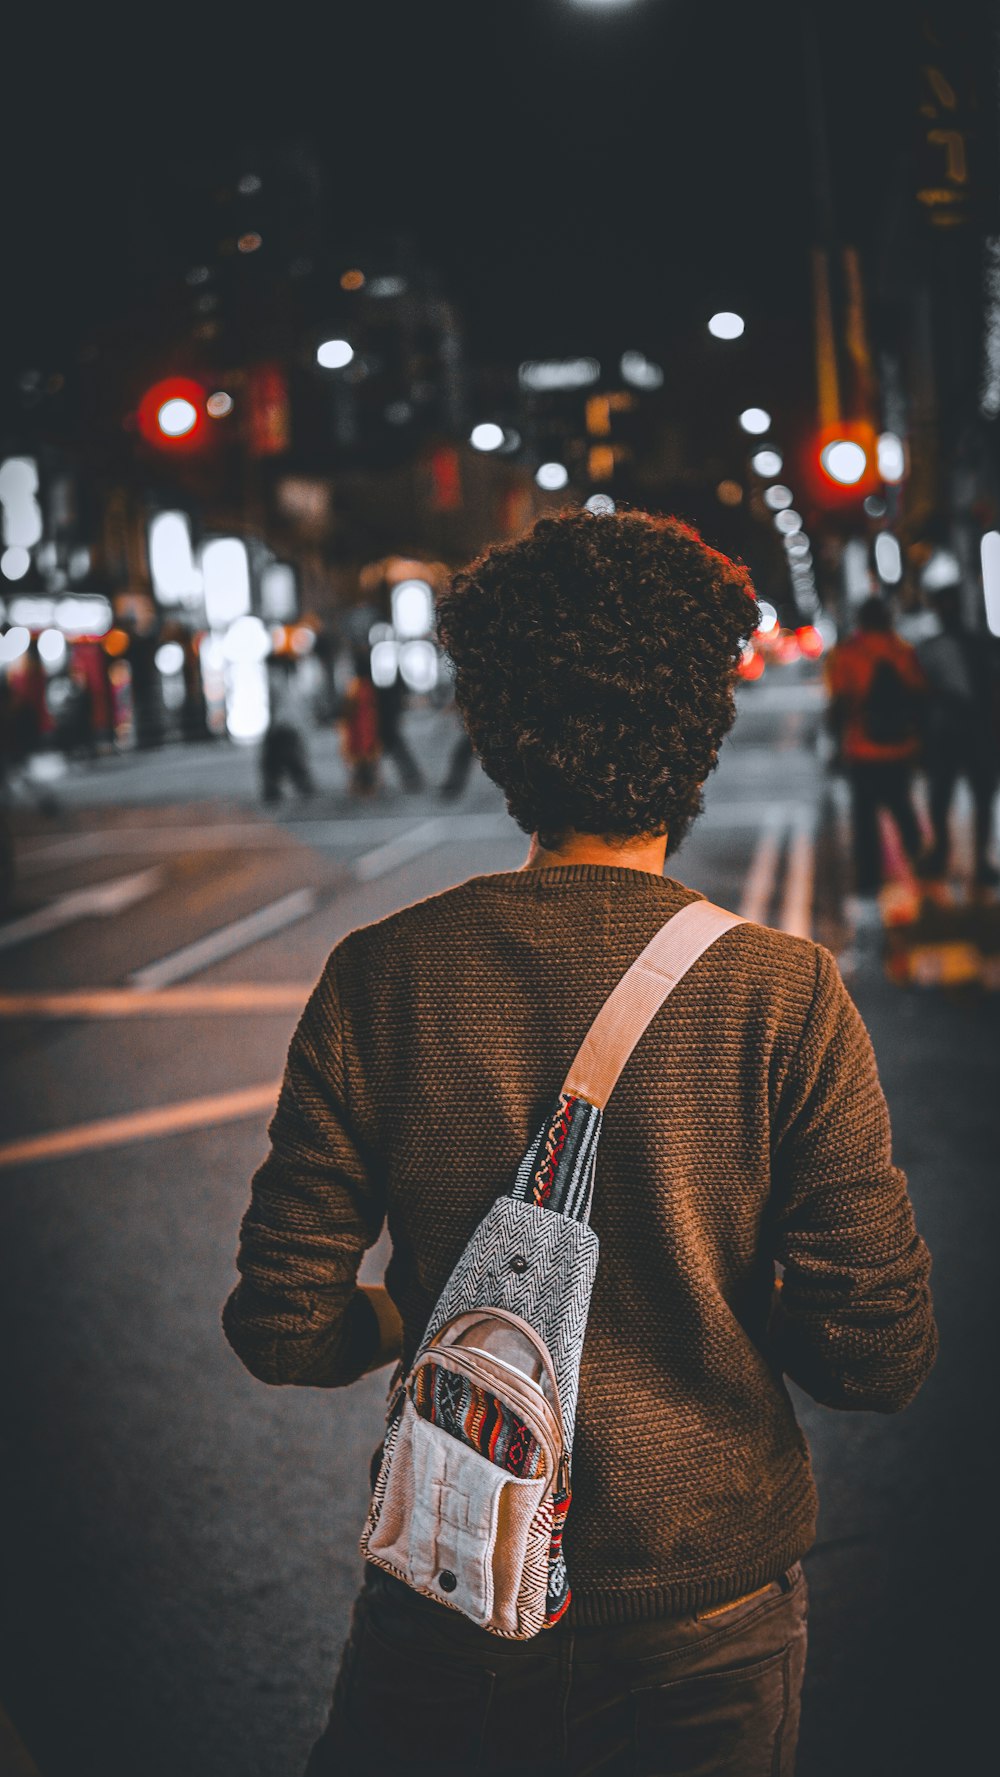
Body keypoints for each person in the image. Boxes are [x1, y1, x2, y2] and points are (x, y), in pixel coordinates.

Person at [223, 509, 937, 1777]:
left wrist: (414, 1314)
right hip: (701, 1611)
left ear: (497, 728)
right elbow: (875, 1355)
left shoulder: (380, 977)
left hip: (452, 1592)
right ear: (697, 728)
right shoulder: (781, 993)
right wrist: (717, 1300)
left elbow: (280, 1325)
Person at [824, 596, 927, 898]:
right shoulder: (903, 652)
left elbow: (840, 705)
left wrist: (836, 746)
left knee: (865, 820)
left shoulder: (848, 654)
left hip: (862, 751)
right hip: (900, 749)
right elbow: (919, 698)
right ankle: (922, 869)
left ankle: (869, 883)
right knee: (903, 809)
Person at [915, 584, 1000, 888]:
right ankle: (942, 852)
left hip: (977, 729)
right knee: (941, 797)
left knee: (982, 796)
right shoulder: (930, 647)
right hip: (947, 731)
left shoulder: (982, 644)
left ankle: (980, 862)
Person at [261, 657, 315, 804]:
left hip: (282, 726)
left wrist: (271, 728)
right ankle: (302, 786)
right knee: (288, 759)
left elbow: (276, 707)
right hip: (290, 726)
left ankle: (275, 791)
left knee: (275, 761)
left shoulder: (276, 680)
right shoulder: (292, 681)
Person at [373, 666, 424, 791]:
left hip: (384, 711)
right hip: (384, 709)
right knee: (394, 748)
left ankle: (412, 778)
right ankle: (412, 777)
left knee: (390, 747)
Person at [339, 651, 382, 797]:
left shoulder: (355, 687)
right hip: (369, 728)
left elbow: (348, 708)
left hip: (358, 730)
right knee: (367, 760)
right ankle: (366, 785)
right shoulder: (370, 686)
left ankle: (364, 785)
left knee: (360, 761)